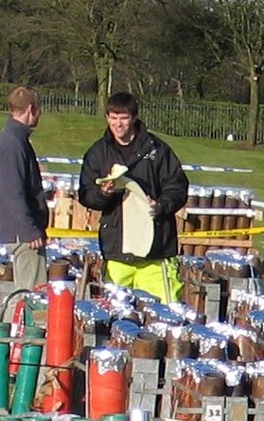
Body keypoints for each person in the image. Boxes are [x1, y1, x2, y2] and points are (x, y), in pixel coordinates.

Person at [77, 91, 188, 301]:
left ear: (134, 117)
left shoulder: (158, 150)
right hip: (117, 252)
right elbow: (86, 193)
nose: (118, 124)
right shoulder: (97, 153)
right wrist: (103, 194)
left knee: (164, 315)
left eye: (124, 118)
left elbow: (178, 187)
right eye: (113, 117)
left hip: (155, 253)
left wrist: (161, 205)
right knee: (115, 315)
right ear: (107, 118)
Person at [0, 84, 50, 290]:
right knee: (32, 296)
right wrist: (29, 230)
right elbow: (12, 193)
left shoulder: (15, 139)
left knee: (29, 294)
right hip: (24, 236)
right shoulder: (13, 143)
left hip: (22, 232)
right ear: (32, 109)